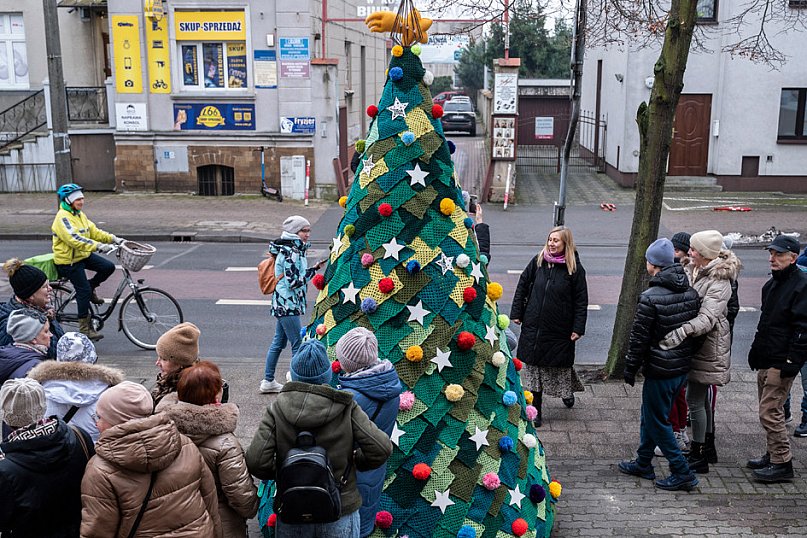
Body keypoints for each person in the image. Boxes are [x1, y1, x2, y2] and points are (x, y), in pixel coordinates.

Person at [246, 339, 393, 538]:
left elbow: (256, 461)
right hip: (339, 507)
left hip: (292, 507)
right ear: (328, 374)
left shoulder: (276, 409)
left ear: (294, 374)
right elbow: (381, 448)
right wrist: (355, 461)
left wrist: (284, 470)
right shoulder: (346, 407)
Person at [80, 381, 222, 537]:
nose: (96, 423)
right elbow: (209, 499)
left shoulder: (100, 470)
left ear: (116, 421)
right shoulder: (184, 444)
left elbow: (98, 530)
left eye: (100, 417)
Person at [618, 239, 701, 491]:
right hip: (680, 368)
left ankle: (681, 471)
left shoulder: (650, 297)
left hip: (659, 369)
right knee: (651, 415)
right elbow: (697, 332)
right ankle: (643, 462)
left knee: (657, 420)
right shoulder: (690, 292)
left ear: (652, 263)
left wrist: (630, 368)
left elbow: (639, 338)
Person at [660, 230, 740, 474]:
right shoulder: (695, 269)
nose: (689, 252)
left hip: (707, 345)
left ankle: (698, 454)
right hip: (698, 344)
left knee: (695, 399)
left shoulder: (719, 279)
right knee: (700, 399)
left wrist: (680, 332)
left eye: (693, 249)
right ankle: (706, 448)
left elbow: (707, 318)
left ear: (704, 253)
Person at [157, 361, 258, 537]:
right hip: (220, 524)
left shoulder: (163, 433)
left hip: (176, 521)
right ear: (216, 397)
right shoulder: (225, 444)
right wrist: (252, 508)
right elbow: (241, 496)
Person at [510, 225, 588, 426]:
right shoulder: (538, 261)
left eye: (556, 241)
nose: (552, 244)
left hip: (559, 328)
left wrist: (578, 328)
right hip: (534, 324)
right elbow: (522, 284)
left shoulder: (574, 269)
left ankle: (566, 391)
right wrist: (517, 312)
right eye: (550, 239)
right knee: (534, 368)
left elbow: (581, 300)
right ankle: (536, 411)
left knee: (559, 366)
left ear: (565, 244)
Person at [745, 235, 807, 482]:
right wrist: (756, 352)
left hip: (782, 361)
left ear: (793, 258)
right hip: (767, 358)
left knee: (770, 411)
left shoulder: (801, 285)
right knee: (769, 409)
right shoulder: (771, 285)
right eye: (771, 253)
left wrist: (791, 362)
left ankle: (782, 463)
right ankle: (773, 454)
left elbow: (803, 330)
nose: (772, 258)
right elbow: (766, 324)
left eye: (779, 254)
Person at [0, 377, 94, 537]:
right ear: (42, 407)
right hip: (78, 529)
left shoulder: (5, 469)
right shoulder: (79, 435)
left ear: (5, 415)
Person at [336, 328, 401, 537]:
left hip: (350, 477)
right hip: (374, 469)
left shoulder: (351, 399)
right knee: (364, 526)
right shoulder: (390, 388)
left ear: (349, 363)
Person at [51, 183, 124, 341]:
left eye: (82, 199)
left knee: (108, 267)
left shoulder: (79, 215)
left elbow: (93, 231)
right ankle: (84, 328)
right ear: (68, 200)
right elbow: (74, 239)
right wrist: (98, 246)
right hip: (68, 261)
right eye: (78, 199)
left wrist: (114, 239)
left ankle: (91, 287)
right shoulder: (62, 217)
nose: (81, 202)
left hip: (81, 256)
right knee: (82, 291)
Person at [260, 216, 324, 393]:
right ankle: (297, 382)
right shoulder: (291, 251)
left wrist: (313, 268)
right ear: (294, 232)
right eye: (304, 231)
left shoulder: (290, 249)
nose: (307, 234)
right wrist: (312, 273)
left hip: (283, 302)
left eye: (308, 230)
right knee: (297, 343)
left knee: (278, 342)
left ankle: (268, 381)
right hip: (288, 303)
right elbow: (293, 282)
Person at [27, 332, 124, 443]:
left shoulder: (39, 391)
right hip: (94, 456)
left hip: (55, 456)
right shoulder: (110, 393)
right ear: (92, 359)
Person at [1, 257, 64, 358]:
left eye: (49, 284)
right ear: (31, 295)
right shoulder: (15, 326)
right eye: (44, 287)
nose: (50, 289)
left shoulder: (43, 311)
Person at [151, 321, 202, 408]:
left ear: (181, 363)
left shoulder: (182, 395)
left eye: (164, 359)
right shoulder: (171, 381)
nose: (157, 363)